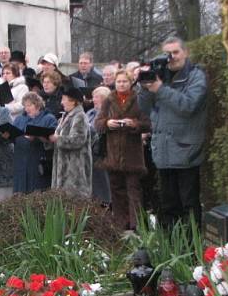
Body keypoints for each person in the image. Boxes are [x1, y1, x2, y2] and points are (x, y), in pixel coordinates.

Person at [138, 37, 208, 228]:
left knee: (188, 205)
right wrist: (145, 87)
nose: (171, 57)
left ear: (185, 52)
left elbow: (189, 106)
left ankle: (191, 249)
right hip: (163, 152)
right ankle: (171, 249)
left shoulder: (195, 76)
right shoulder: (162, 75)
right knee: (168, 206)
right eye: (167, 53)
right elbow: (144, 108)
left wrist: (160, 89)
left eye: (175, 52)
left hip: (186, 152)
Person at [95, 71, 152, 231]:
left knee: (133, 190)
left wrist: (133, 124)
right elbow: (98, 122)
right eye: (119, 81)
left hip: (132, 154)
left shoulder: (138, 99)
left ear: (131, 82)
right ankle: (120, 224)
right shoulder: (109, 100)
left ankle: (136, 225)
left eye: (124, 81)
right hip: (112, 154)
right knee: (116, 190)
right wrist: (108, 123)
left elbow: (147, 123)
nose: (121, 84)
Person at [48, 86, 91, 197]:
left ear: (73, 101)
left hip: (74, 168)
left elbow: (78, 140)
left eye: (64, 99)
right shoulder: (65, 116)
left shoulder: (79, 116)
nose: (62, 102)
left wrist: (58, 139)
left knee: (74, 204)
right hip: (63, 167)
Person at [12, 92, 57, 193]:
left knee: (36, 193)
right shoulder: (19, 119)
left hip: (37, 161)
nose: (27, 108)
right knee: (19, 194)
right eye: (25, 106)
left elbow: (52, 140)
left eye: (29, 105)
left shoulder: (48, 118)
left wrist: (38, 136)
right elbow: (13, 135)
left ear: (37, 104)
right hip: (20, 161)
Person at [88, 86, 112, 206]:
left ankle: (105, 203)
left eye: (96, 97)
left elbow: (99, 129)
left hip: (101, 152)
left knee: (102, 184)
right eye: (93, 97)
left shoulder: (108, 113)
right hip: (88, 153)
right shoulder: (90, 112)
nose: (93, 100)